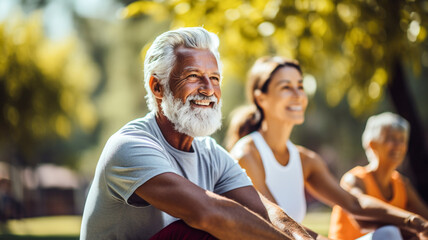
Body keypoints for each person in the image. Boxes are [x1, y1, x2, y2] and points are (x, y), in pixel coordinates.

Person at [80, 27, 314, 240]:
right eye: (193, 76)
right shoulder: (129, 145)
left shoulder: (211, 153)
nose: (208, 89)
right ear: (157, 87)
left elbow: (266, 213)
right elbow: (208, 214)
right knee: (206, 228)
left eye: (214, 78)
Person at [225, 56, 428, 240]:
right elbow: (272, 220)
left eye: (300, 86)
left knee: (390, 234)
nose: (297, 95)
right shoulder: (247, 154)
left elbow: (354, 204)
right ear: (261, 98)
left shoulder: (305, 160)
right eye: (286, 87)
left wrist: (414, 221)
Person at [329, 112, 428, 240]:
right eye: (391, 138)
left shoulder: (401, 184)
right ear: (372, 144)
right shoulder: (354, 180)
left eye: (402, 139)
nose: (398, 145)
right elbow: (362, 221)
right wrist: (413, 224)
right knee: (389, 233)